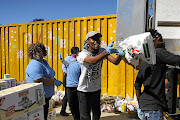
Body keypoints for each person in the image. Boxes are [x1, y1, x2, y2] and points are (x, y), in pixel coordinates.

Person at [76, 31, 125, 120]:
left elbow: (115, 62)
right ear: (87, 41)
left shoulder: (101, 51)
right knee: (85, 117)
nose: (96, 41)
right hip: (84, 91)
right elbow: (93, 60)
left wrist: (120, 55)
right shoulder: (82, 54)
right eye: (93, 39)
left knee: (96, 115)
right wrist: (106, 52)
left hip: (96, 89)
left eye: (98, 39)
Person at [134, 29, 180, 120]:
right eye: (160, 40)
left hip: (145, 106)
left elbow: (137, 84)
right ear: (153, 42)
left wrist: (140, 104)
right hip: (154, 108)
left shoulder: (146, 57)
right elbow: (177, 60)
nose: (163, 42)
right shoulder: (158, 52)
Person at [26, 42, 62, 120]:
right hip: (38, 97)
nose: (39, 53)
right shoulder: (35, 64)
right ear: (32, 53)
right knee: (41, 116)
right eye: (36, 52)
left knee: (44, 115)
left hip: (45, 97)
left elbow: (48, 74)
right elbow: (38, 79)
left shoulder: (43, 62)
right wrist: (54, 82)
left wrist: (54, 80)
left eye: (40, 51)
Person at [59, 47, 81, 120]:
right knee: (67, 95)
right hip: (68, 79)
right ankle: (63, 109)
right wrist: (69, 74)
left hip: (75, 80)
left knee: (72, 97)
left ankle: (72, 110)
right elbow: (65, 67)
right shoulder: (68, 59)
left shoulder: (79, 60)